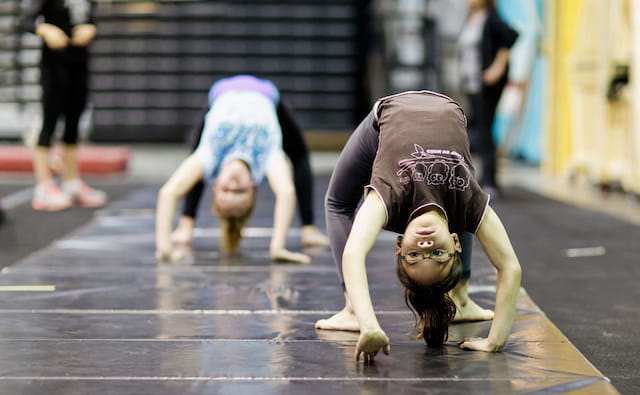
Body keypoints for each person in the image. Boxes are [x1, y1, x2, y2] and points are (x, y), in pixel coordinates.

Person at [315, 91, 521, 363]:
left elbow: (354, 253)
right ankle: (460, 299)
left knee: (338, 201)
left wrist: (369, 325)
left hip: (389, 112)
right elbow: (510, 267)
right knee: (461, 214)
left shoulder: (389, 200)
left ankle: (352, 309)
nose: (425, 246)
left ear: (399, 246)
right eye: (437, 254)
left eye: (414, 256)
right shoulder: (469, 204)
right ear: (455, 244)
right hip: (448, 106)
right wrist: (495, 341)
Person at [156, 75, 318, 263]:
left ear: (215, 185)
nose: (233, 184)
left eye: (227, 189)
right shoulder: (266, 160)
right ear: (253, 187)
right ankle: (309, 228)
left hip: (222, 92)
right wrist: (278, 247)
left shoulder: (210, 158)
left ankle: (186, 223)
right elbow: (286, 191)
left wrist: (165, 249)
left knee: (194, 157)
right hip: (264, 93)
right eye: (239, 191)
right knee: (300, 155)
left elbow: (168, 192)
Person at [19, 0, 106, 211]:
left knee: (73, 122)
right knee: (49, 122)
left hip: (79, 62)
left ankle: (71, 181)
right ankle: (44, 186)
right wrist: (46, 30)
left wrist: (90, 28)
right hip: (54, 65)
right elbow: (25, 22)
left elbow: (93, 19)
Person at [458, 0, 518, 195]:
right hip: (472, 83)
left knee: (485, 129)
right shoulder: (470, 18)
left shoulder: (491, 17)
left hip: (487, 84)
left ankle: (490, 180)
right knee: (478, 128)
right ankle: (483, 177)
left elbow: (510, 36)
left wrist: (498, 66)